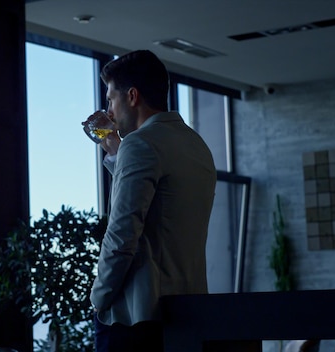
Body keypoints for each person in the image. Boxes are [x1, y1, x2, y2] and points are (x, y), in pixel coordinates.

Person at [87, 50, 217, 351]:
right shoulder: (195, 144)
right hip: (187, 311)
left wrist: (98, 298)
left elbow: (121, 236)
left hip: (136, 318)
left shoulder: (140, 145)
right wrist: (114, 148)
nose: (109, 110)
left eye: (110, 99)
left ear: (132, 96)